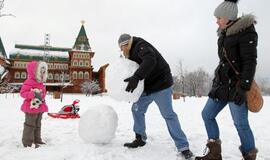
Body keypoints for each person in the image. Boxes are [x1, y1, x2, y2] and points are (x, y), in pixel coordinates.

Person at [195, 0, 258, 159]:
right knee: (207, 114)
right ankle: (214, 153)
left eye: (219, 17)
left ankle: (249, 155)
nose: (216, 21)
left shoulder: (246, 32)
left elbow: (250, 62)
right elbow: (224, 61)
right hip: (222, 85)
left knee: (241, 124)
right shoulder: (223, 33)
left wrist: (243, 88)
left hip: (237, 86)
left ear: (229, 17)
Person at [118, 33, 193, 159]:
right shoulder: (130, 54)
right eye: (120, 48)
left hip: (161, 85)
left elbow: (150, 60)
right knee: (136, 109)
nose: (122, 50)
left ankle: (183, 146)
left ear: (127, 44)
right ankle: (140, 138)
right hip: (147, 88)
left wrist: (136, 77)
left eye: (122, 47)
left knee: (168, 115)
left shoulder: (141, 46)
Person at [20, 61, 48, 148]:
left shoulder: (40, 82)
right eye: (41, 70)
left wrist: (42, 95)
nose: (43, 72)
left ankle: (37, 139)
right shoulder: (29, 81)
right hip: (30, 107)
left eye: (44, 71)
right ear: (34, 71)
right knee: (30, 124)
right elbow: (22, 93)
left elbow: (43, 93)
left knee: (38, 124)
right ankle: (28, 142)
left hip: (39, 106)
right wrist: (32, 94)